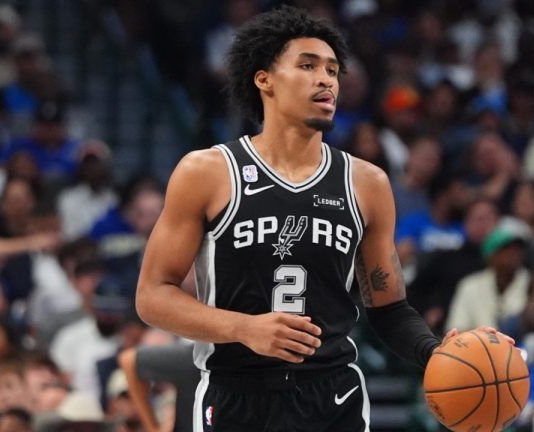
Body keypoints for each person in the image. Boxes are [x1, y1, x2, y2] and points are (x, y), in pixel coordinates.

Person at [135, 6, 506, 431]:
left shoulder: (366, 183)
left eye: (332, 70)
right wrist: (244, 328)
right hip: (236, 394)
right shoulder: (208, 172)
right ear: (264, 80)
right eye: (308, 65)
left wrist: (435, 351)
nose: (326, 79)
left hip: (333, 398)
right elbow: (152, 296)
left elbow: (389, 309)